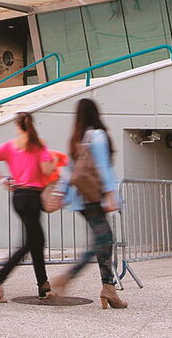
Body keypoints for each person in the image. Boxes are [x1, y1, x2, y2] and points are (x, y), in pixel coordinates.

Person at [50, 99, 126, 309]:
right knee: (103, 241)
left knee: (104, 241)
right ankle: (70, 277)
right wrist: (111, 194)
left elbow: (68, 171)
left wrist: (60, 194)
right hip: (94, 197)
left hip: (81, 199)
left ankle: (108, 289)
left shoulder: (77, 139)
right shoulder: (98, 136)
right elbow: (103, 167)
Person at [0, 112, 57, 302]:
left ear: (17, 126)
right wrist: (55, 161)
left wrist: (2, 179)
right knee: (32, 243)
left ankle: (43, 285)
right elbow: (47, 170)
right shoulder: (38, 144)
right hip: (33, 197)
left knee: (36, 241)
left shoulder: (10, 145)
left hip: (18, 196)